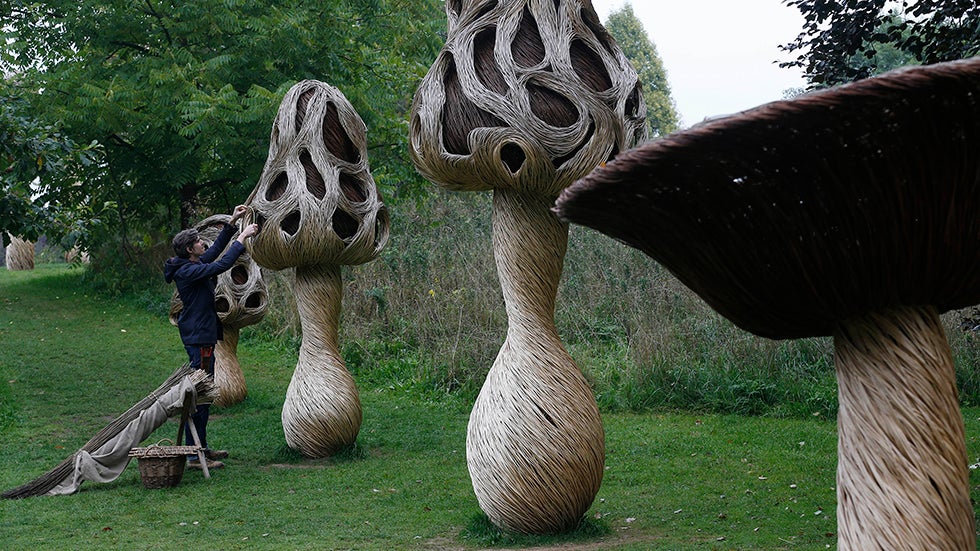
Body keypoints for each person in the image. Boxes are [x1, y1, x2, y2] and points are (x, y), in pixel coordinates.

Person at [164, 205, 259, 470]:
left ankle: (201, 447)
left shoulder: (192, 263)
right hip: (199, 338)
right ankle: (195, 455)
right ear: (189, 249)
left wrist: (233, 222)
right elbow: (222, 264)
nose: (202, 243)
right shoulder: (187, 271)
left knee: (203, 394)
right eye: (197, 242)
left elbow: (215, 252)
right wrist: (243, 237)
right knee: (200, 395)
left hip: (201, 335)